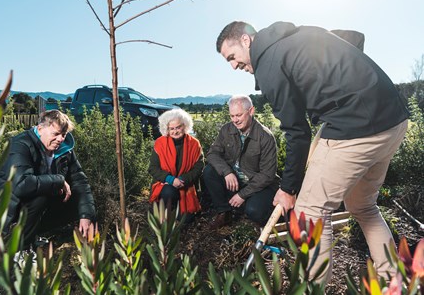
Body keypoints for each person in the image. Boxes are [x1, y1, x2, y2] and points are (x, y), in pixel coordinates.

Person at [216, 21, 409, 281]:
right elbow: (354, 37)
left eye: (232, 57)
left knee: (311, 212)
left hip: (357, 128)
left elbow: (297, 133)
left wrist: (287, 189)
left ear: (246, 40)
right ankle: (394, 281)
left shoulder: (269, 64)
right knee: (362, 206)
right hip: (393, 120)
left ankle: (314, 288)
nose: (233, 66)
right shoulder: (301, 34)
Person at [0, 110, 96, 259]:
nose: (60, 139)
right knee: (40, 198)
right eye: (56, 134)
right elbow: (21, 185)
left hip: (33, 205)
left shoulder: (65, 150)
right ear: (40, 129)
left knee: (79, 201)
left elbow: (80, 181)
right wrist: (59, 180)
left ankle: (31, 234)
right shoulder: (20, 144)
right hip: (8, 207)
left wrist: (86, 215)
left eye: (64, 134)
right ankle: (18, 250)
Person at [203, 95, 279, 230]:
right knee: (209, 171)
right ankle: (224, 212)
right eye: (232, 116)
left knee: (254, 211)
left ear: (251, 111)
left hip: (257, 185)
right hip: (235, 180)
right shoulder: (226, 129)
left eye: (238, 115)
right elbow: (212, 154)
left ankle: (262, 215)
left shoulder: (265, 137)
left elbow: (267, 175)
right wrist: (227, 172)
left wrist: (242, 195)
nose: (235, 120)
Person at [148, 108, 204, 219]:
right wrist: (171, 180)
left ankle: (178, 211)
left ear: (185, 126)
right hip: (165, 184)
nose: (175, 131)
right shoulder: (160, 143)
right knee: (169, 192)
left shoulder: (194, 143)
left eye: (178, 127)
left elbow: (199, 167)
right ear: (167, 129)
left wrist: (183, 179)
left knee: (187, 219)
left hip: (186, 185)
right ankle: (164, 211)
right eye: (171, 128)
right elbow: (153, 168)